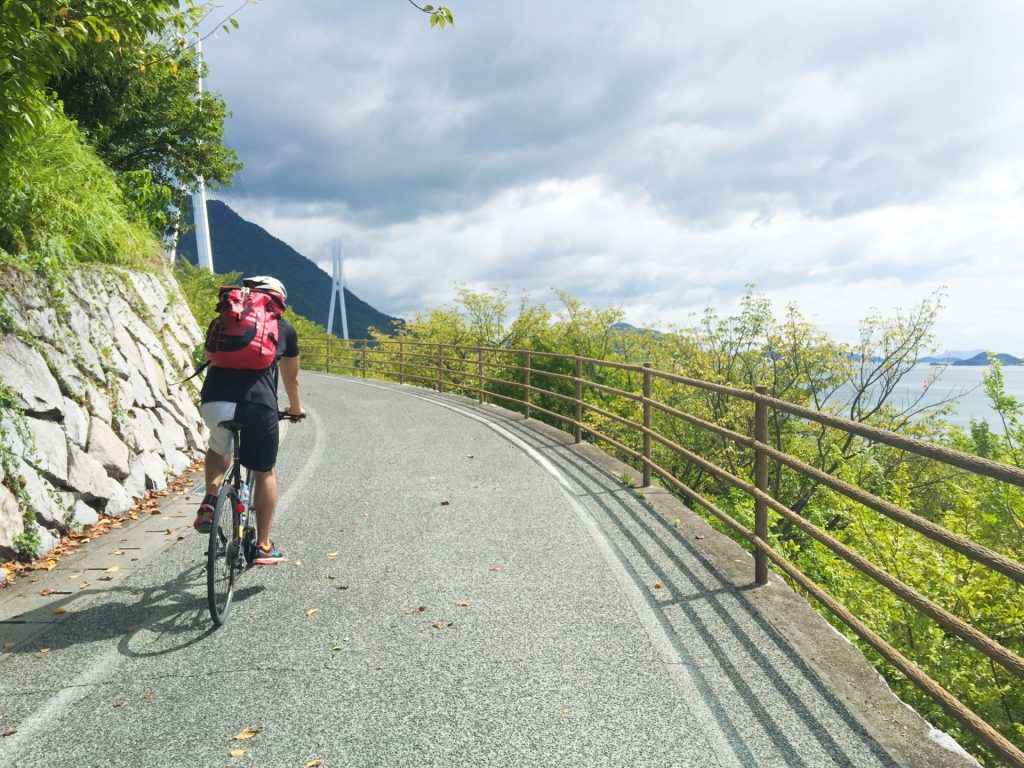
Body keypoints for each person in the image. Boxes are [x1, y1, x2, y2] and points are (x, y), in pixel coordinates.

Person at [193, 275, 304, 565]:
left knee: (219, 449)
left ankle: (210, 498)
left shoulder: (222, 322)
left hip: (214, 401)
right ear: (277, 300)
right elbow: (291, 380)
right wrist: (295, 409)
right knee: (264, 471)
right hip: (258, 406)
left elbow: (210, 355)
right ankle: (264, 545)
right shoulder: (283, 329)